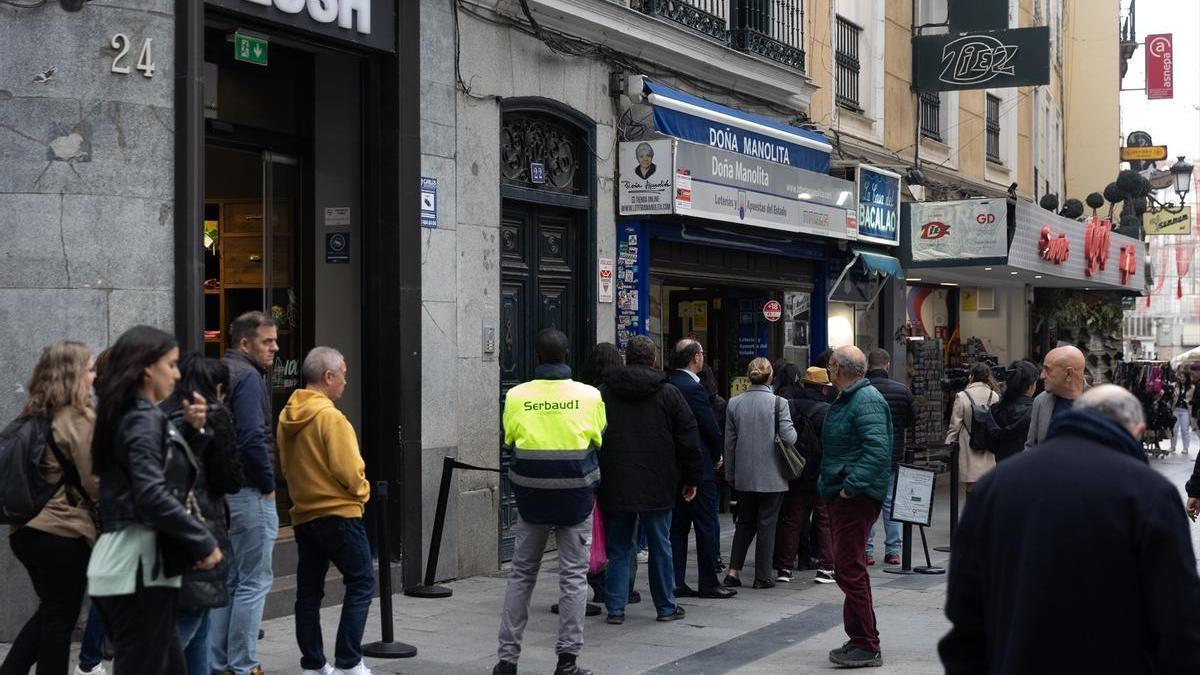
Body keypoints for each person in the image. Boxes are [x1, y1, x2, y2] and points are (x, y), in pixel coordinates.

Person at [940, 385, 1200, 674]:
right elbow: (1179, 617)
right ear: (1137, 431)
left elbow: (966, 611)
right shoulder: (1149, 493)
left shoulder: (996, 486)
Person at [87, 326, 222, 673]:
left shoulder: (131, 414)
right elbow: (150, 493)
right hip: (136, 566)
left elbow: (160, 478)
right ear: (148, 368)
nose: (177, 375)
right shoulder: (141, 418)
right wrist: (202, 541)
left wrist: (192, 432)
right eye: (171, 365)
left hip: (133, 563)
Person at [495, 328, 606, 675]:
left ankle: (507, 660)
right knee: (573, 577)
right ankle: (567, 661)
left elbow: (510, 439)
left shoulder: (516, 396)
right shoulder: (589, 395)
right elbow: (598, 438)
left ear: (537, 357)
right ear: (567, 355)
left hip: (532, 497)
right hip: (576, 497)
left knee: (521, 575)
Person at [1, 341, 99, 675]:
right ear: (73, 374)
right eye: (90, 369)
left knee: (52, 611)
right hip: (62, 532)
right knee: (60, 620)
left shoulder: (34, 413)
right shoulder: (78, 417)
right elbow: (95, 482)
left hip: (25, 531)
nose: (94, 376)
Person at [277, 347, 374, 675]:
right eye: (343, 374)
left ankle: (314, 665)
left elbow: (285, 466)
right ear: (328, 376)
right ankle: (349, 661)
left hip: (304, 515)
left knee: (308, 592)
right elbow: (349, 470)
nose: (346, 381)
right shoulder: (331, 417)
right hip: (339, 513)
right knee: (361, 581)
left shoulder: (286, 416)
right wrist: (363, 492)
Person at [597, 335, 701, 624]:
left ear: (626, 358)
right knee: (660, 545)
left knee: (619, 547)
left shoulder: (605, 392)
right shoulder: (668, 393)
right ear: (654, 360)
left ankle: (615, 608)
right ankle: (665, 606)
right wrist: (691, 478)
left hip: (616, 480)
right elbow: (688, 437)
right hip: (658, 481)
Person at [162, 355, 244, 675]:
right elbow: (230, 479)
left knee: (199, 627)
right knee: (188, 622)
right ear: (218, 388)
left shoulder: (160, 415)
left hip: (173, 533)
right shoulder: (214, 417)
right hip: (200, 529)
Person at [212, 311, 280, 675]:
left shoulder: (222, 371)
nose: (275, 347)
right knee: (254, 581)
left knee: (233, 579)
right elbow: (252, 437)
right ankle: (243, 664)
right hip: (249, 491)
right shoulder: (249, 377)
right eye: (267, 341)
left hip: (225, 491)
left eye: (275, 340)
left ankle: (218, 662)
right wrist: (268, 485)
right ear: (244, 343)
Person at [820, 346, 892, 669]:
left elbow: (877, 451)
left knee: (849, 568)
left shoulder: (866, 400)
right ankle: (861, 637)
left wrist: (850, 487)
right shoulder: (852, 398)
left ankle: (866, 643)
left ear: (838, 368)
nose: (828, 369)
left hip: (855, 497)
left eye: (830, 364)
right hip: (847, 493)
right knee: (849, 567)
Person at [666, 340, 736, 600]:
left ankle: (676, 580)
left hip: (674, 466)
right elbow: (709, 426)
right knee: (706, 525)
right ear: (695, 357)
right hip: (699, 466)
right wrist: (717, 455)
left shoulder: (669, 384)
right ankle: (708, 582)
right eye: (702, 354)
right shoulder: (694, 388)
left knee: (678, 527)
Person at [722, 357, 796, 590]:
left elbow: (729, 444)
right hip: (773, 475)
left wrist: (730, 474)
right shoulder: (779, 403)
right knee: (767, 524)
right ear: (770, 376)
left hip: (744, 475)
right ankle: (762, 576)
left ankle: (733, 572)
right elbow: (790, 438)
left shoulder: (734, 403)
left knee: (744, 523)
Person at [773, 367, 836, 585]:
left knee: (792, 518)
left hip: (796, 469)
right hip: (821, 471)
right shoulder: (828, 411)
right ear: (823, 389)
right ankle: (825, 568)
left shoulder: (790, 406)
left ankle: (784, 567)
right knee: (824, 518)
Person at [864, 349, 914, 567]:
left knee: (867, 502)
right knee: (891, 502)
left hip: (867, 456)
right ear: (888, 365)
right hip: (893, 454)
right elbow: (910, 421)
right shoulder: (902, 391)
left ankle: (867, 550)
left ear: (868, 365)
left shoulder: (861, 390)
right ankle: (893, 550)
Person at [946, 363, 1000, 493]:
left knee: (971, 485)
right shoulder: (994, 396)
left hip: (968, 444)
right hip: (988, 446)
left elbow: (955, 424)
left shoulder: (962, 396)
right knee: (988, 484)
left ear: (971, 376)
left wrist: (949, 442)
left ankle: (972, 505)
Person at [1025, 345, 1085, 449]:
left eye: (1047, 370)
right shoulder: (1041, 401)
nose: (1042, 376)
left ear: (1069, 374)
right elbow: (1031, 447)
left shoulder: (1100, 405)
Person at [987, 361, 1039, 462]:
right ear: (1030, 386)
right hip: (1029, 466)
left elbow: (991, 445)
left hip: (1002, 466)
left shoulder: (995, 409)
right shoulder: (1037, 410)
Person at [1171, 368, 1194, 455]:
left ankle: (1185, 448)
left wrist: (1190, 401)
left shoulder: (1192, 387)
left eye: (1183, 377)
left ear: (1187, 378)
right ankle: (1173, 446)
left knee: (1185, 430)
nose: (1182, 378)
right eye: (1180, 377)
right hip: (1176, 410)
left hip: (1185, 411)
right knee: (1174, 429)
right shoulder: (1175, 386)